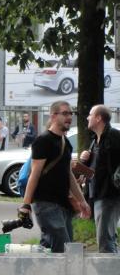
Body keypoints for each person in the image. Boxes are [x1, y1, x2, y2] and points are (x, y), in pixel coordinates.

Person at [19, 101, 89, 253]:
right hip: (45, 204)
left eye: (71, 113)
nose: (69, 117)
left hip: (63, 204)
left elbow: (68, 175)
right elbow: (34, 174)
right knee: (64, 250)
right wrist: (25, 205)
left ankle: (37, 272)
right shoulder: (43, 141)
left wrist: (82, 201)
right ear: (53, 115)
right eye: (65, 113)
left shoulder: (66, 143)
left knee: (60, 247)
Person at [80, 104, 120, 253]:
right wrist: (86, 160)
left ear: (98, 118)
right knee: (107, 238)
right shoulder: (94, 140)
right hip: (97, 194)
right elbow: (97, 167)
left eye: (90, 115)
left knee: (105, 240)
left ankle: (110, 273)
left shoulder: (114, 136)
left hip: (110, 194)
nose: (87, 117)